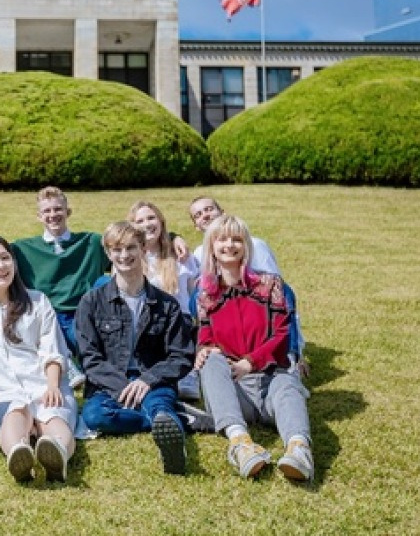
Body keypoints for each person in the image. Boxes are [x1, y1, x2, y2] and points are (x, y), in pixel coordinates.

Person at [193, 214, 314, 482]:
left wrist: (251, 361)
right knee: (209, 361)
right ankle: (240, 443)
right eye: (222, 239)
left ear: (246, 246)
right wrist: (204, 348)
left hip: (270, 377)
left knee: (287, 382)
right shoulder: (205, 295)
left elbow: (282, 333)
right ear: (211, 246)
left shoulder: (270, 285)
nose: (229, 245)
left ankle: (299, 450)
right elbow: (205, 334)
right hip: (235, 390)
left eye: (236, 239)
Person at [76, 221, 194, 475]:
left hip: (152, 380)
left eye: (131, 248)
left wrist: (147, 381)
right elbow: (89, 357)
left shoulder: (166, 304)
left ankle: (169, 432)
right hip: (109, 383)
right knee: (95, 417)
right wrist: (123, 387)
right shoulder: (91, 302)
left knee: (157, 402)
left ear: (142, 248)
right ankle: (173, 419)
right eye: (116, 249)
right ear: (108, 253)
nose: (124, 255)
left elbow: (181, 355)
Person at [0, 234, 77, 484]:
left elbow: (52, 347)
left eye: (5, 258)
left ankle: (57, 453)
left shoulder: (36, 301)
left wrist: (52, 385)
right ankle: (19, 453)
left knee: (53, 417)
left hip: (42, 381)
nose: (1, 266)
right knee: (14, 414)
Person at [11, 187, 108, 387]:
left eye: (58, 209)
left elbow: (133, 242)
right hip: (46, 315)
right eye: (47, 211)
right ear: (39, 216)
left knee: (81, 339)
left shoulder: (92, 243)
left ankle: (78, 364)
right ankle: (67, 364)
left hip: (82, 313)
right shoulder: (22, 249)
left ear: (67, 212)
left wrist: (173, 237)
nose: (53, 215)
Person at [129, 200, 197, 307]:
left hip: (181, 319)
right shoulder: (128, 259)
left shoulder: (181, 254)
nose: (147, 224)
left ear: (161, 222)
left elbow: (194, 296)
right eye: (140, 221)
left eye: (151, 218)